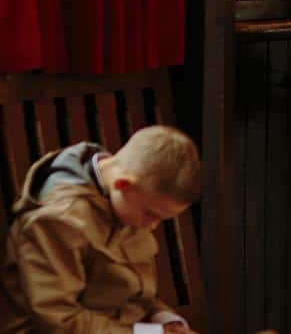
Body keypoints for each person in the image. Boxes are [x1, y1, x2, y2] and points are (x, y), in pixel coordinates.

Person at [0, 125, 202, 332]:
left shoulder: (125, 197)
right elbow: (60, 319)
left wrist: (163, 319)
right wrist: (149, 332)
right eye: (151, 214)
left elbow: (127, 289)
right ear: (123, 185)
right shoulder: (59, 221)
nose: (152, 226)